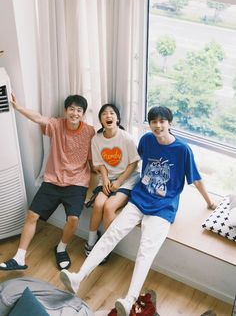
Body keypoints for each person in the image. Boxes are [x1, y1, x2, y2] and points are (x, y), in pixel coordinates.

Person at [59, 106, 217, 316]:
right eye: (154, 121)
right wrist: (110, 176)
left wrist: (210, 202)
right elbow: (132, 161)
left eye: (162, 121)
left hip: (163, 207)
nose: (158, 125)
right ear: (150, 124)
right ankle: (78, 277)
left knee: (145, 252)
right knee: (110, 235)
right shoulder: (146, 140)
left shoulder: (182, 150)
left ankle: (130, 299)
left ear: (170, 124)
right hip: (140, 198)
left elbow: (196, 179)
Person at [0, 93, 95, 271]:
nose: (75, 113)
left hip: (77, 183)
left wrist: (95, 185)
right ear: (66, 111)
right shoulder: (56, 124)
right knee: (32, 216)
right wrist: (18, 107)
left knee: (73, 219)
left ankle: (61, 249)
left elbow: (93, 160)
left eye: (79, 110)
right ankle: (19, 257)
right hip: (52, 180)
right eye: (72, 109)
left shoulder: (89, 131)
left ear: (83, 114)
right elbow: (38, 118)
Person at [84, 104, 140, 262]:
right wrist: (106, 179)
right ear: (101, 120)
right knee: (98, 204)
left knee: (109, 207)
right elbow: (100, 162)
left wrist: (119, 182)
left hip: (128, 179)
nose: (108, 116)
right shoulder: (96, 139)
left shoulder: (126, 138)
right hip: (107, 178)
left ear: (117, 118)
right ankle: (91, 241)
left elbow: (134, 164)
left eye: (112, 113)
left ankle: (104, 248)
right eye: (104, 114)